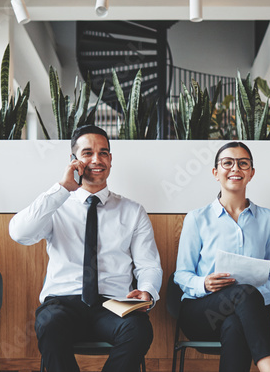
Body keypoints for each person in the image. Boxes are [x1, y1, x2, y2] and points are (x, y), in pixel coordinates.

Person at [9, 125, 163, 372]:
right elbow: (19, 233)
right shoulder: (56, 205)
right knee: (48, 324)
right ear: (73, 160)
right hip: (62, 303)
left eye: (103, 153)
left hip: (114, 305)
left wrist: (147, 290)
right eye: (87, 153)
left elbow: (149, 265)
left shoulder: (133, 211)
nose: (96, 160)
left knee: (139, 329)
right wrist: (62, 188)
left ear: (110, 160)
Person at [174, 142, 270, 372]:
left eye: (243, 163)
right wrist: (203, 283)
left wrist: (255, 294)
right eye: (228, 163)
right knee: (243, 295)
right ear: (216, 173)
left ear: (251, 173)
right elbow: (182, 274)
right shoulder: (196, 218)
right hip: (202, 311)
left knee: (236, 322)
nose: (236, 168)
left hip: (248, 313)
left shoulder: (269, 219)